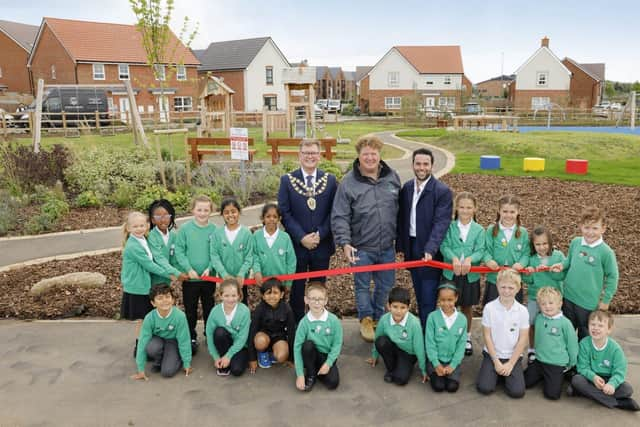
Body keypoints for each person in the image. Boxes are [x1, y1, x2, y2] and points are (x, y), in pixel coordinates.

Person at [331, 134, 401, 342]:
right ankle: (366, 319)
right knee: (362, 286)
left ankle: (380, 317)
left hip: (387, 246)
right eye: (365, 154)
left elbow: (401, 210)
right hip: (361, 247)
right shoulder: (348, 183)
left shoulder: (392, 177)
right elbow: (340, 215)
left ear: (379, 155)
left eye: (374, 154)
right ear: (359, 157)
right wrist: (344, 243)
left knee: (386, 285)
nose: (370, 158)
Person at [278, 139, 337, 321]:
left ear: (319, 156)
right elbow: (285, 213)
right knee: (296, 288)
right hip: (297, 246)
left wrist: (320, 234)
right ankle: (296, 324)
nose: (310, 156)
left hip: (322, 244)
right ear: (299, 155)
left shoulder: (330, 180)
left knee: (318, 288)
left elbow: (334, 212)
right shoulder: (288, 181)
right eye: (306, 153)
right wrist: (302, 237)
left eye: (313, 153)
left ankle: (316, 322)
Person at [397, 148, 453, 327]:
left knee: (428, 299)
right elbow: (402, 219)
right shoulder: (406, 188)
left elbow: (441, 224)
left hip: (430, 251)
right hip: (412, 247)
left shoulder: (441, 191)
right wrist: (400, 247)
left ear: (432, 166)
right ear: (413, 165)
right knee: (420, 295)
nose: (422, 168)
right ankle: (422, 335)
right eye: (418, 164)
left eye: (425, 164)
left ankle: (427, 343)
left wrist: (430, 248)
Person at [550, 207, 618, 340]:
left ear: (603, 228)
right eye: (587, 228)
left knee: (585, 336)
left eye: (595, 228)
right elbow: (568, 261)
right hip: (568, 297)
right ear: (581, 226)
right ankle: (567, 360)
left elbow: (612, 277)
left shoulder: (606, 252)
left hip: (588, 303)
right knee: (566, 333)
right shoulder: (576, 242)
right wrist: (561, 266)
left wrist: (606, 301)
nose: (590, 232)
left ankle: (583, 359)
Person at [120, 211, 177, 356]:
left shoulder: (143, 239)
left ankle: (147, 345)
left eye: (142, 225)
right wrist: (170, 274)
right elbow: (149, 265)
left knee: (146, 318)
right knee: (143, 320)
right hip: (137, 288)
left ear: (147, 225)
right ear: (128, 228)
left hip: (143, 286)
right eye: (135, 226)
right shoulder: (133, 246)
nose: (139, 228)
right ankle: (140, 348)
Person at [439, 191, 484, 356]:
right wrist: (454, 259)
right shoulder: (449, 227)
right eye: (462, 207)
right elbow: (444, 246)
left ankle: (466, 336)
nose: (465, 211)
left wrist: (470, 259)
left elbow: (481, 250)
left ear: (475, 209)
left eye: (469, 207)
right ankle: (448, 334)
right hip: (451, 273)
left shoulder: (479, 230)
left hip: (470, 275)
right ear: (456, 208)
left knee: (467, 305)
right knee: (448, 304)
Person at [569, 310, 639, 411]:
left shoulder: (615, 349)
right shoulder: (584, 344)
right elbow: (582, 367)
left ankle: (582, 392)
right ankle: (617, 403)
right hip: (591, 378)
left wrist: (612, 384)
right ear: (588, 326)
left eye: (600, 325)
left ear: (609, 329)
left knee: (627, 389)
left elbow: (620, 372)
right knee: (577, 380)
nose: (596, 328)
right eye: (593, 324)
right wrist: (593, 377)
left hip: (608, 379)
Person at [476, 269, 529, 398]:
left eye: (511, 288)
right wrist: (496, 362)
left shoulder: (522, 311)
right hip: (493, 355)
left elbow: (523, 339)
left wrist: (511, 363)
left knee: (517, 392)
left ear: (518, 288)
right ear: (497, 286)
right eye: (503, 287)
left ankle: (503, 373)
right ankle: (496, 372)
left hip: (512, 356)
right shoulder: (489, 308)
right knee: (485, 388)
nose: (506, 291)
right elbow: (487, 336)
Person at [175, 195, 217, 355]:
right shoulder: (185, 229)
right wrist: (188, 268)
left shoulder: (214, 230)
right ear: (193, 210)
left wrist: (210, 267)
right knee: (191, 308)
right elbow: (179, 251)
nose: (202, 213)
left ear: (211, 211)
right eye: (199, 209)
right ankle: (191, 336)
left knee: (209, 306)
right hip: (190, 278)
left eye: (206, 210)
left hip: (208, 277)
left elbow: (216, 252)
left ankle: (209, 333)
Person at [523, 287, 578, 400]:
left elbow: (572, 345)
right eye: (543, 304)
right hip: (539, 361)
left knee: (552, 395)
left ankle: (559, 376)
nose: (547, 306)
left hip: (556, 363)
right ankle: (544, 376)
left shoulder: (565, 323)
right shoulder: (538, 319)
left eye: (551, 303)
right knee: (524, 383)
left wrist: (571, 363)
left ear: (560, 303)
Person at [366, 287, 427, 386]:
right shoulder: (384, 319)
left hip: (409, 353)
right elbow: (377, 337)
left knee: (400, 380)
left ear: (408, 307)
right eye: (395, 307)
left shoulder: (414, 323)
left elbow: (419, 347)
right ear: (388, 306)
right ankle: (391, 369)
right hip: (395, 348)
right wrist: (374, 356)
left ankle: (403, 367)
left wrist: (423, 369)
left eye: (403, 307)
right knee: (381, 341)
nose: (398, 311)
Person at [522, 225, 565, 362]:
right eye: (538, 244)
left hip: (553, 298)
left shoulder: (558, 256)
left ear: (550, 243)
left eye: (545, 243)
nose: (542, 247)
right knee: (532, 322)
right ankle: (532, 349)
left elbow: (562, 277)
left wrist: (549, 270)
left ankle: (551, 348)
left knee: (553, 324)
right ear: (533, 245)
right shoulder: (531, 259)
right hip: (535, 297)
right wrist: (529, 273)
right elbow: (527, 280)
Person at [131, 284, 192, 380]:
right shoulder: (149, 318)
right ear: (153, 303)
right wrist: (140, 369)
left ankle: (177, 357)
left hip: (173, 341)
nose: (164, 300)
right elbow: (142, 342)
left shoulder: (180, 316)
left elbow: (184, 340)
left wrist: (187, 362)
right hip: (158, 340)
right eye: (160, 298)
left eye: (168, 297)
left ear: (173, 300)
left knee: (167, 372)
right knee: (151, 347)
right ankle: (158, 361)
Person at [294, 282, 343, 391]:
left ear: (325, 301)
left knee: (333, 383)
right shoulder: (304, 322)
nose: (316, 303)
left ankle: (318, 370)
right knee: (307, 345)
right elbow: (297, 348)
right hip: (311, 354)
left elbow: (337, 344)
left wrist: (328, 363)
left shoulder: (334, 320)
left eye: (320, 299)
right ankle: (311, 374)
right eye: (312, 299)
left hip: (326, 356)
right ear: (306, 300)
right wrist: (300, 375)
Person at [483, 195, 529, 304]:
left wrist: (521, 264)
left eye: (512, 212)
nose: (508, 215)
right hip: (495, 279)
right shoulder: (491, 230)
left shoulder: (523, 232)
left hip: (514, 280)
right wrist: (488, 260)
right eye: (505, 211)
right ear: (499, 211)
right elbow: (485, 249)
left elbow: (526, 253)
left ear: (518, 212)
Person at [210, 197, 254, 305]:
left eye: (233, 211)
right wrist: (224, 274)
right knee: (226, 305)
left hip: (241, 280)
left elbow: (249, 256)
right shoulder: (217, 234)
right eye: (226, 212)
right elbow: (214, 256)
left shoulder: (246, 233)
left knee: (241, 305)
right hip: (224, 280)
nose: (230, 215)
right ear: (222, 214)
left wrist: (241, 273)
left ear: (239, 212)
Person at [425, 284, 468, 393]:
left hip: (452, 361)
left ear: (456, 298)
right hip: (436, 360)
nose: (446, 303)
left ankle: (452, 372)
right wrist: (436, 364)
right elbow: (430, 343)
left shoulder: (462, 319)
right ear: (438, 299)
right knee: (438, 386)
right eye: (442, 300)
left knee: (452, 387)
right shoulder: (432, 317)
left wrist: (453, 365)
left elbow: (461, 345)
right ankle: (432, 370)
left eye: (450, 300)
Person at [248, 278, 297, 373]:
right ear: (263, 296)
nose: (272, 296)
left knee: (282, 356)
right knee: (260, 341)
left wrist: (291, 358)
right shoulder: (260, 309)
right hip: (263, 335)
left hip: (279, 337)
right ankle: (262, 352)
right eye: (268, 293)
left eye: (275, 293)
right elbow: (252, 331)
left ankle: (272, 353)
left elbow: (292, 332)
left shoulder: (287, 309)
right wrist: (252, 358)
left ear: (281, 295)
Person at [205, 278, 250, 377]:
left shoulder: (245, 311)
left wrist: (229, 356)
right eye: (226, 295)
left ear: (239, 295)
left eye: (234, 295)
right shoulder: (215, 311)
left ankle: (229, 359)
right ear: (221, 296)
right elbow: (209, 335)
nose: (230, 299)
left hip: (240, 346)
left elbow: (242, 338)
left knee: (237, 370)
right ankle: (222, 359)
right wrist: (216, 357)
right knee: (219, 332)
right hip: (224, 342)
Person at [252, 203, 297, 288]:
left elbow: (291, 261)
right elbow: (254, 256)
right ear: (262, 218)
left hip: (281, 283)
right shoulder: (256, 236)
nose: (271, 219)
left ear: (279, 219)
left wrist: (288, 283)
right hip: (263, 282)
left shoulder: (285, 237)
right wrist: (257, 272)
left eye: (275, 217)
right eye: (268, 216)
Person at [147, 199, 186, 287]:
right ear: (153, 220)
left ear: (171, 217)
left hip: (169, 281)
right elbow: (159, 259)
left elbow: (174, 258)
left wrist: (182, 272)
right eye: (158, 216)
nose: (163, 219)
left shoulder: (174, 236)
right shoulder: (151, 236)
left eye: (166, 216)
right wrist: (176, 273)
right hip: (155, 281)